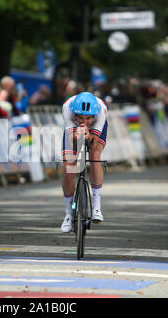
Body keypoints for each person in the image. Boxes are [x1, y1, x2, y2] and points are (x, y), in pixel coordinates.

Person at [60, 92, 108, 233]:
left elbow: (94, 140)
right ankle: (68, 214)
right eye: (80, 117)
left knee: (94, 155)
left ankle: (96, 206)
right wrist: (77, 135)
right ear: (75, 114)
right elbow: (70, 138)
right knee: (69, 166)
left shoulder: (101, 110)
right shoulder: (68, 107)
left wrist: (89, 135)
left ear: (93, 116)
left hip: (96, 128)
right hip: (72, 128)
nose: (84, 121)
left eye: (88, 118)